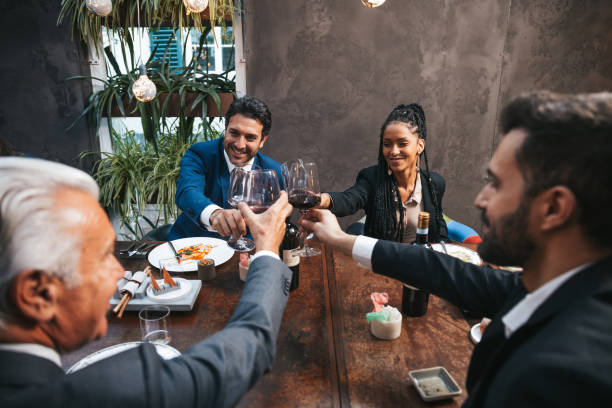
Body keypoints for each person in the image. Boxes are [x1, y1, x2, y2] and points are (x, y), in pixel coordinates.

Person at [301, 91, 612, 407]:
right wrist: (339, 239)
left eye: (497, 183)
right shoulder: (545, 289)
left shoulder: (563, 375)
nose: (480, 199)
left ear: (554, 208)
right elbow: (436, 268)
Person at [0, 157, 294, 408]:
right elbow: (249, 345)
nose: (120, 272)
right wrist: (267, 248)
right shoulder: (105, 393)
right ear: (37, 294)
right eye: (104, 256)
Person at [318, 103, 448, 243]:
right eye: (387, 144)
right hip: (383, 261)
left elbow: (439, 230)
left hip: (422, 261)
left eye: (402, 143)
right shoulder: (372, 179)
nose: (393, 151)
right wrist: (319, 199)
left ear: (420, 146)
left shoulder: (433, 183)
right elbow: (348, 200)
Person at [169, 95, 283, 240]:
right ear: (226, 129)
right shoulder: (199, 154)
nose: (239, 144)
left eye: (250, 137)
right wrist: (214, 214)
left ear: (262, 140)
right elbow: (187, 191)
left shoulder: (275, 172)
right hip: (193, 247)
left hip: (247, 253)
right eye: (234, 133)